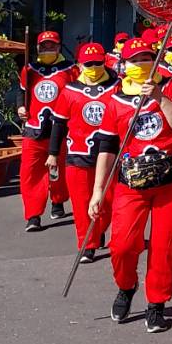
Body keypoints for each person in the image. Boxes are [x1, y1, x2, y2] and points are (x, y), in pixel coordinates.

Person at [90, 38, 172, 333]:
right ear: (124, 64)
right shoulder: (115, 98)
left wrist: (160, 97)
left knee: (164, 247)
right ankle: (126, 286)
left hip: (169, 181)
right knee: (122, 245)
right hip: (130, 183)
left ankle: (156, 303)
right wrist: (98, 190)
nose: (141, 64)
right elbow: (107, 146)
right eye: (135, 59)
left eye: (147, 58)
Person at [46, 43, 119, 262]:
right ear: (80, 65)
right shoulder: (69, 91)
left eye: (98, 63)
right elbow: (59, 124)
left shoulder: (117, 87)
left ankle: (99, 230)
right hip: (78, 154)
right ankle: (87, 244)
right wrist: (52, 154)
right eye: (89, 64)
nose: (94, 67)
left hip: (110, 155)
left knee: (108, 201)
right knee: (80, 203)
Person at [18, 29, 73, 232]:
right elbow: (22, 91)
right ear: (38, 47)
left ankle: (58, 200)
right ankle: (33, 215)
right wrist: (20, 107)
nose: (48, 48)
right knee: (30, 173)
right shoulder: (30, 69)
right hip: (34, 129)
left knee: (59, 170)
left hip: (61, 130)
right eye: (44, 45)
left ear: (59, 47)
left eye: (52, 45)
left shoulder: (70, 69)